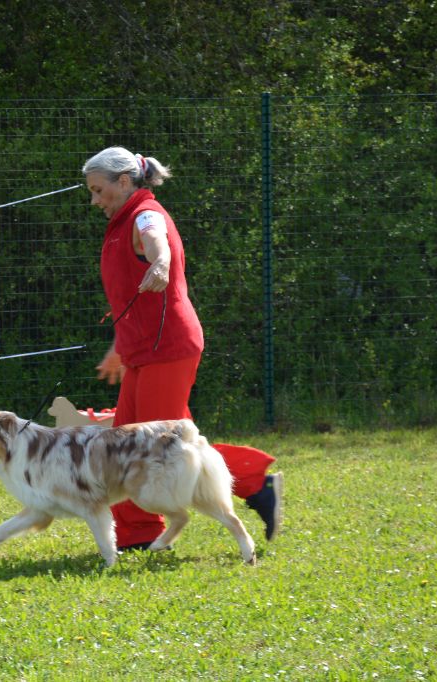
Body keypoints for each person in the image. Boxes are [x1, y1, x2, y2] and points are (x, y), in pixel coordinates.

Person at [82, 145, 284, 551]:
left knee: (158, 445)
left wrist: (160, 263)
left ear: (124, 182)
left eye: (99, 190)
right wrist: (120, 346)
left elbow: (157, 238)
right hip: (144, 348)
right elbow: (128, 295)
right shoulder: (123, 217)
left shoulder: (143, 213)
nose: (95, 200)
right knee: (132, 440)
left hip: (167, 348)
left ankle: (249, 485)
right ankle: (143, 529)